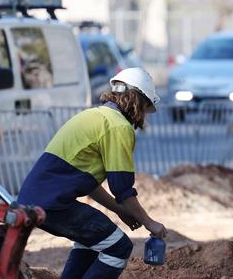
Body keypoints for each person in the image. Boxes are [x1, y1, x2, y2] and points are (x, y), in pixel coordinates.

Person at [18, 68, 167, 279]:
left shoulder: (93, 116)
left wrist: (119, 210)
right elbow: (123, 190)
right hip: (54, 204)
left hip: (37, 200)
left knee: (91, 240)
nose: (143, 115)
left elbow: (89, 184)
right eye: (145, 108)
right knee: (119, 247)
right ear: (136, 99)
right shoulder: (118, 126)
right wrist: (150, 222)